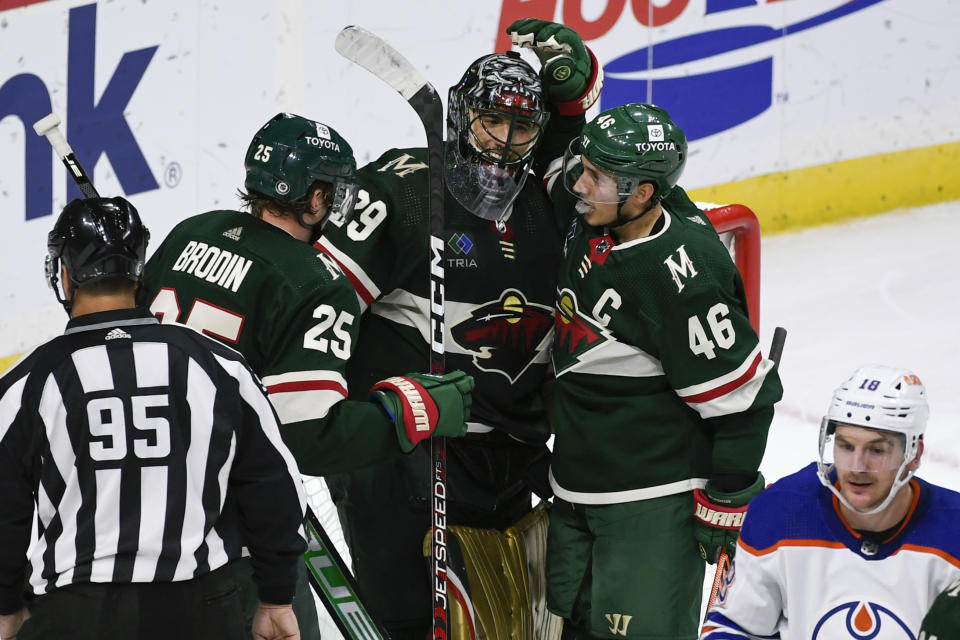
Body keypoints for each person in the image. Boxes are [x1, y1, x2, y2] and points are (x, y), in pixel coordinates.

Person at [316, 19, 602, 639]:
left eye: (521, 127)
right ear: (459, 119)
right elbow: (320, 299)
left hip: (504, 457)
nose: (503, 142)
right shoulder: (405, 191)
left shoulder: (552, 209)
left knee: (509, 626)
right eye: (490, 122)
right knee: (407, 624)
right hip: (400, 451)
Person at [138, 113, 474, 639]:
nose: (338, 206)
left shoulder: (190, 232)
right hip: (232, 537)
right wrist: (410, 413)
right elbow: (307, 438)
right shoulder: (316, 285)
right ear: (313, 198)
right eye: (334, 192)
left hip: (137, 509)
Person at [0, 197, 307, 640]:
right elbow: (274, 486)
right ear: (138, 271)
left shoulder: (29, 383)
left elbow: (5, 514)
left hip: (77, 615)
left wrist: (8, 605)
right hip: (201, 607)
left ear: (64, 276)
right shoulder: (219, 365)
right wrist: (277, 597)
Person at [543, 103, 783, 640]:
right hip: (579, 483)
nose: (578, 185)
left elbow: (744, 401)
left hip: (650, 503)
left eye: (597, 178)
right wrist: (573, 96)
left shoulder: (682, 281)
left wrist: (728, 492)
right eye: (584, 167)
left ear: (644, 193)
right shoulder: (607, 211)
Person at [701, 365, 960, 639]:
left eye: (877, 450)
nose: (857, 467)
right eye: (846, 446)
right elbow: (732, 628)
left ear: (914, 454)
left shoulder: (953, 532)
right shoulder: (779, 514)